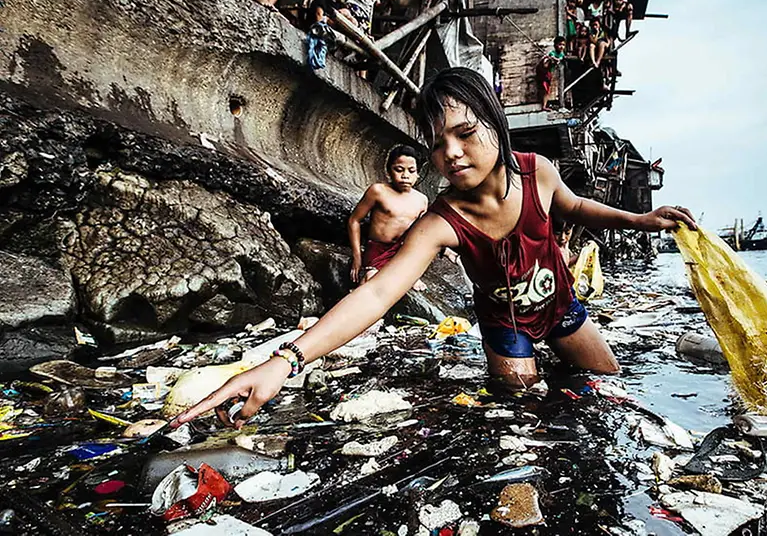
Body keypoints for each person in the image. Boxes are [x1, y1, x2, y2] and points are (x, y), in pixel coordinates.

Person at [171, 67, 695, 429]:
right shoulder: (441, 221)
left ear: (496, 122)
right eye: (439, 143)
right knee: (524, 413)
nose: (452, 153)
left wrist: (640, 219)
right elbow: (377, 295)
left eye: (465, 133)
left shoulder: (537, 172)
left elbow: (576, 206)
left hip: (560, 307)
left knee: (606, 387)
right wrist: (285, 360)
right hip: (506, 326)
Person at [348, 145, 429, 290]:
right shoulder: (378, 191)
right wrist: (357, 256)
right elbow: (354, 220)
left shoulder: (422, 200)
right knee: (371, 281)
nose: (405, 175)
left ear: (417, 174)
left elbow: (421, 234)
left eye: (411, 171)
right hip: (377, 249)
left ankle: (409, 273)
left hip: (402, 252)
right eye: (399, 169)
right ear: (389, 171)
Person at [537, 36, 566, 110]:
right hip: (545, 73)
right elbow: (552, 57)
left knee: (548, 90)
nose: (561, 47)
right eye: (560, 44)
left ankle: (545, 105)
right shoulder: (552, 53)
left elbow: (561, 58)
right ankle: (544, 105)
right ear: (555, 45)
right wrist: (555, 59)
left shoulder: (562, 54)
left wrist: (559, 60)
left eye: (563, 45)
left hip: (551, 74)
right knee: (545, 89)